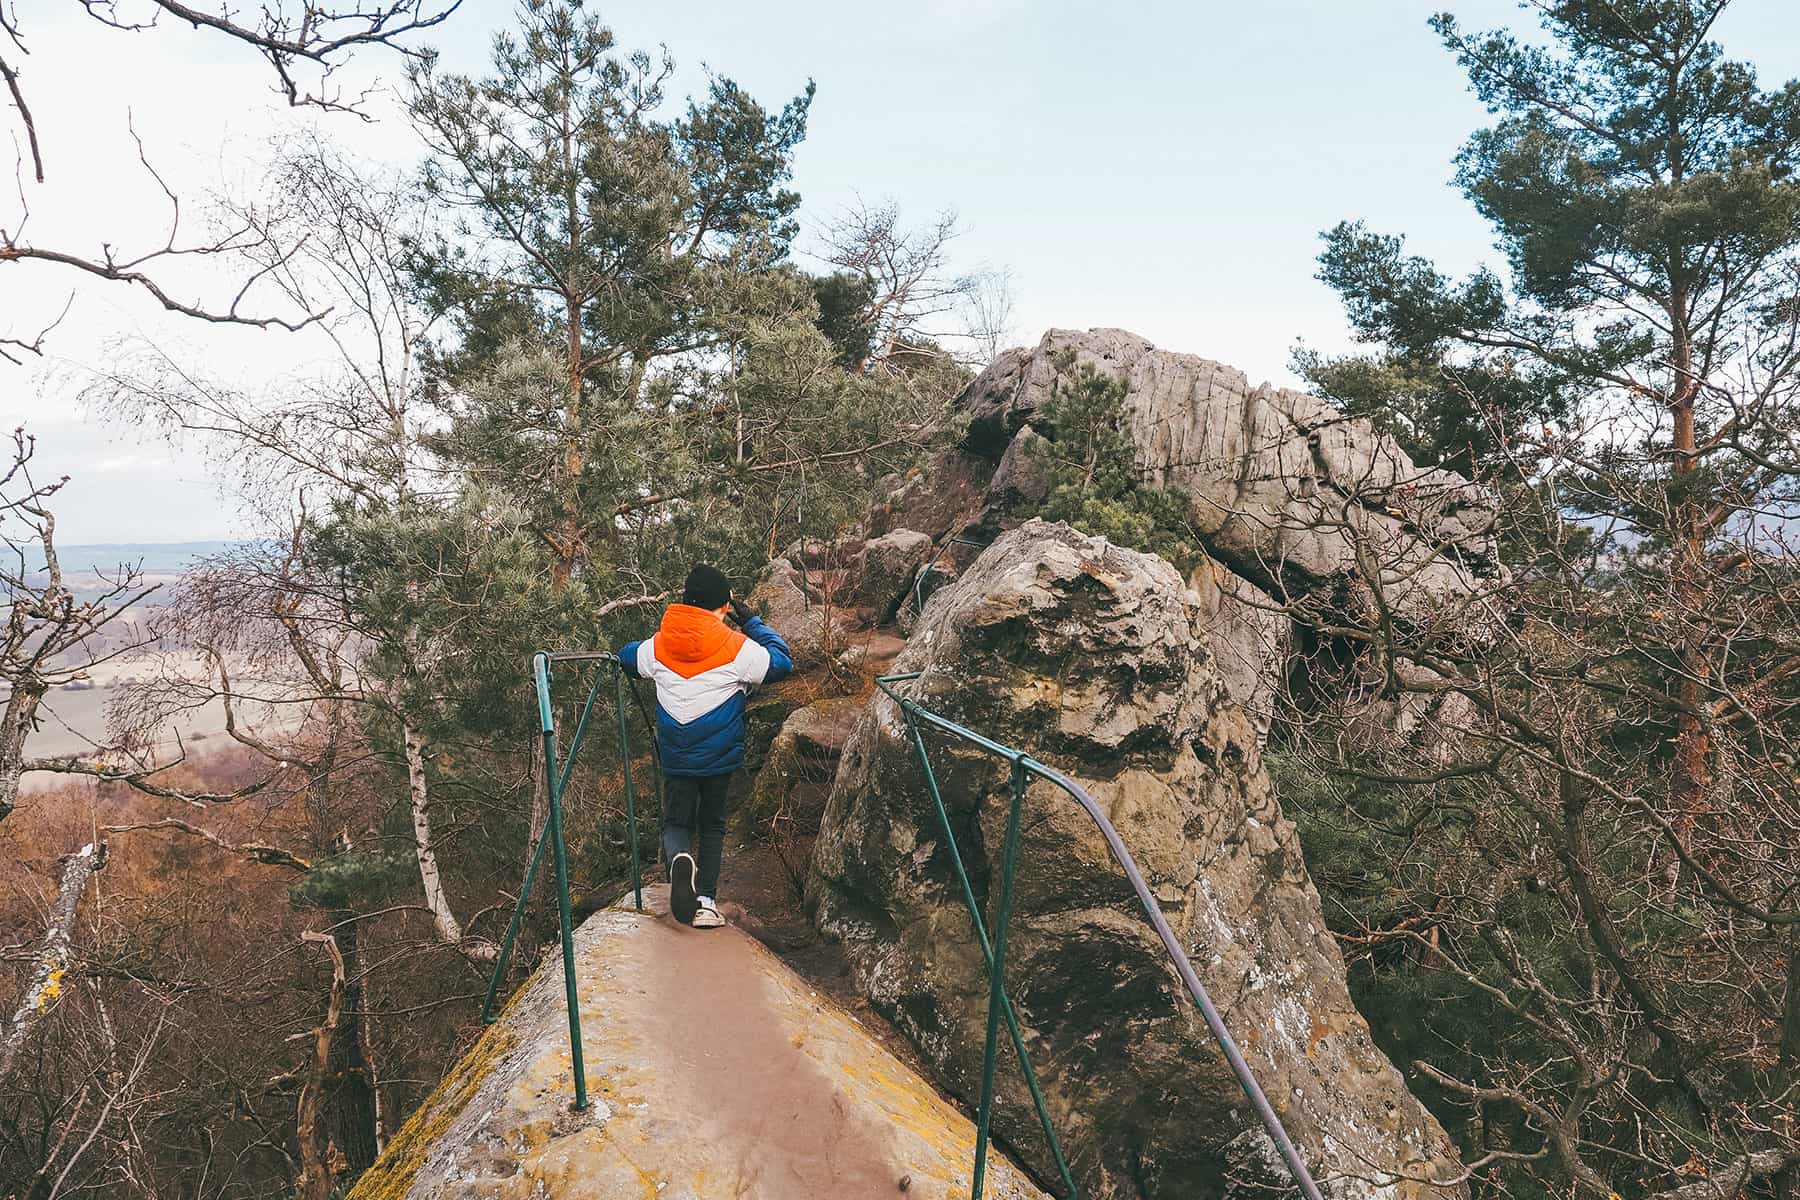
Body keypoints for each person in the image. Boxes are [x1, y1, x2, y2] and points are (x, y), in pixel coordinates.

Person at [617, 564, 792, 928]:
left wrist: (639, 651)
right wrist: (753, 622)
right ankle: (706, 904)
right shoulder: (738, 647)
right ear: (724, 606)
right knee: (712, 826)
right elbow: (781, 662)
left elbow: (626, 657)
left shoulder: (658, 646)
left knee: (676, 822)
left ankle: (680, 857)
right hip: (718, 760)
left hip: (677, 758)